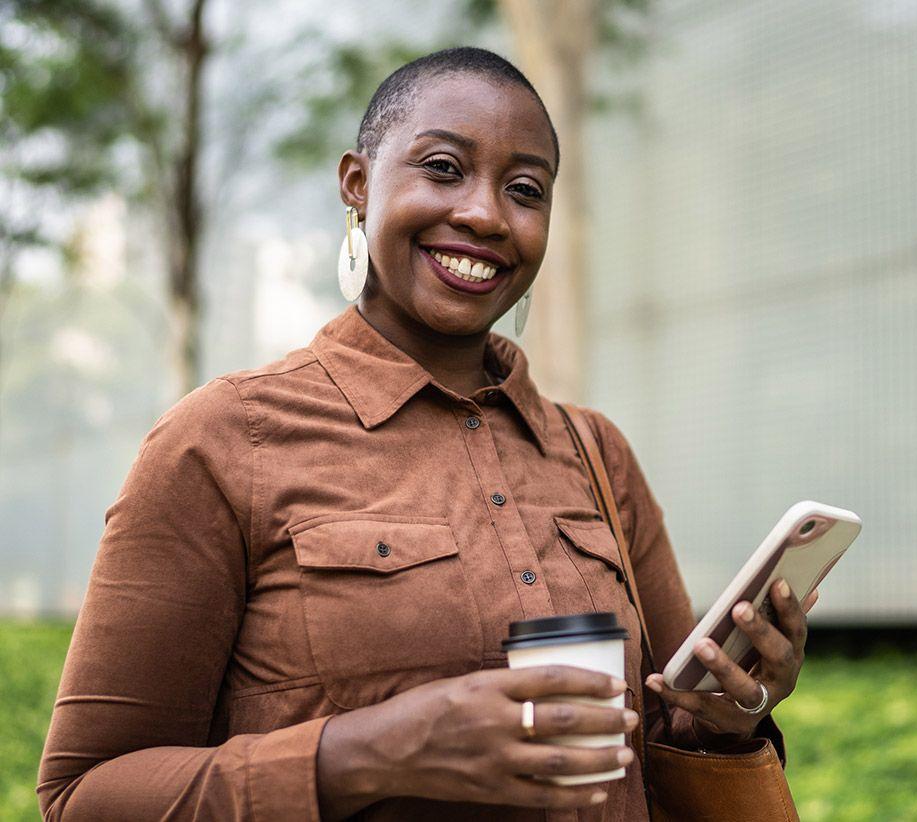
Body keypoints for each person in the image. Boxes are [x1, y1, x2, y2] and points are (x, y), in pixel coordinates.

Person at [37, 46, 816, 821]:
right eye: (443, 168)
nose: (484, 213)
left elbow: (668, 739)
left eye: (524, 190)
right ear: (357, 182)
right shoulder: (224, 440)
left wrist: (728, 717)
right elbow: (85, 795)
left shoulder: (596, 452)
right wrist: (368, 751)